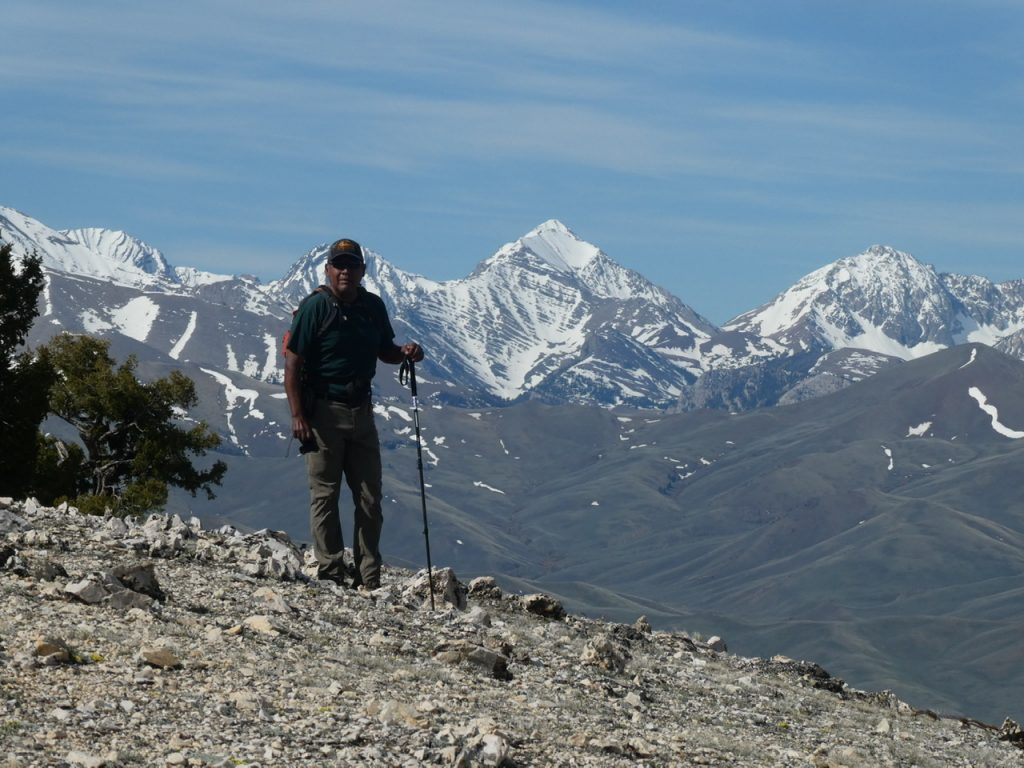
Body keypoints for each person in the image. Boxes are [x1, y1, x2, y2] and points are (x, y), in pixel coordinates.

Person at [284, 237, 424, 589]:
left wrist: (406, 352)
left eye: (352, 265)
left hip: (362, 411)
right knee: (325, 494)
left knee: (369, 497)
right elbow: (292, 363)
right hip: (322, 412)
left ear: (363, 270)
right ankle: (331, 571)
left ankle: (369, 576)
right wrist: (298, 415)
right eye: (339, 265)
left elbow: (385, 351)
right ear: (328, 270)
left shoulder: (372, 307)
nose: (346, 271)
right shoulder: (315, 308)